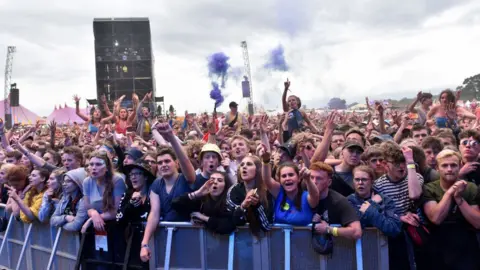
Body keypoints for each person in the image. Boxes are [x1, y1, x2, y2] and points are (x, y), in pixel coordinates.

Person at [422, 150, 480, 269]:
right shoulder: (429, 188)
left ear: (460, 166)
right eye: (444, 165)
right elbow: (436, 218)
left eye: (453, 165)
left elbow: (477, 222)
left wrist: (459, 199)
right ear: (437, 168)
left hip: (465, 246)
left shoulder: (470, 187)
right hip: (437, 246)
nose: (449, 169)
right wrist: (450, 192)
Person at [261, 142, 319, 225]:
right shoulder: (279, 193)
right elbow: (267, 179)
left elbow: (315, 195)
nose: (287, 178)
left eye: (291, 175)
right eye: (284, 176)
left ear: (299, 178)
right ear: (279, 180)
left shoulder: (306, 196)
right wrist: (265, 160)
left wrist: (308, 179)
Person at [172, 171, 237, 234]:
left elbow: (229, 225)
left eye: (219, 180)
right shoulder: (201, 200)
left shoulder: (230, 202)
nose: (215, 182)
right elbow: (175, 204)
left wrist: (204, 218)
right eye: (212, 180)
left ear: (225, 186)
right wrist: (197, 193)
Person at [310, 161, 362, 240]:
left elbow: (356, 232)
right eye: (311, 177)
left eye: (319, 178)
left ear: (329, 182)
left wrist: (329, 229)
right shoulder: (302, 193)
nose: (314, 182)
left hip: (334, 249)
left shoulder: (338, 201)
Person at [347, 166, 402, 237]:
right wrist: (372, 204)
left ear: (372, 181)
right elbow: (357, 226)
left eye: (364, 179)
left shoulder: (385, 200)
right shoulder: (348, 201)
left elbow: (394, 229)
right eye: (357, 179)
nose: (360, 183)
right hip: (357, 244)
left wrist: (369, 210)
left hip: (382, 245)